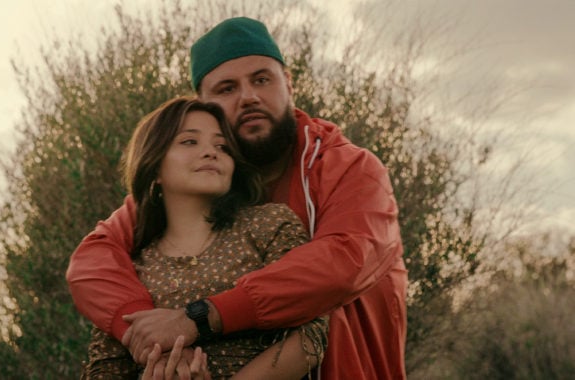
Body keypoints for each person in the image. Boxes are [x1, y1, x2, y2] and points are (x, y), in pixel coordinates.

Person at [68, 17, 408, 379]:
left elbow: (344, 261)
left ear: (288, 83)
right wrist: (148, 339)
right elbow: (93, 260)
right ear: (204, 105)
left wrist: (198, 318)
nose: (248, 97)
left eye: (262, 79)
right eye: (227, 88)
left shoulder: (350, 168)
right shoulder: (194, 188)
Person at [80, 97, 328, 379]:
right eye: (190, 141)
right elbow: (103, 369)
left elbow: (311, 334)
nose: (211, 153)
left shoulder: (268, 225)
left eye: (222, 146)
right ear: (154, 164)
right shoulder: (130, 268)